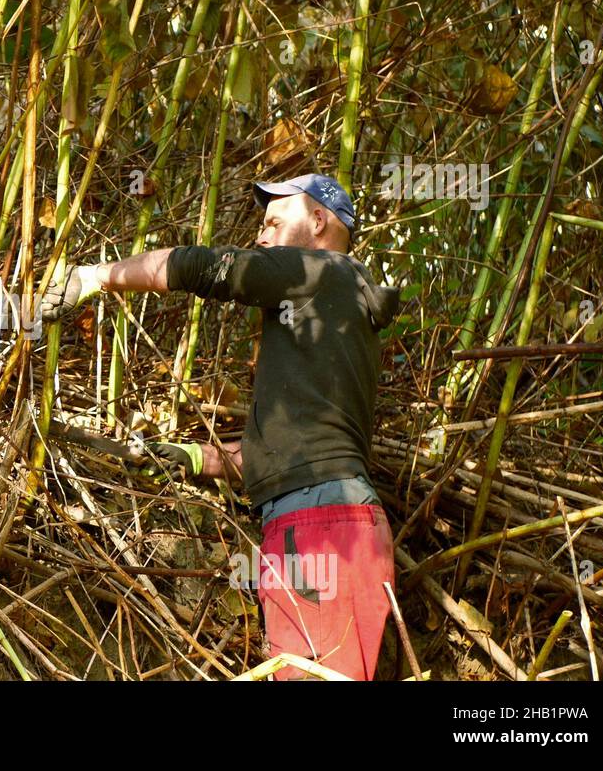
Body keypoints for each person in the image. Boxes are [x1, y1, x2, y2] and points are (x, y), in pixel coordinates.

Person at [39, 174, 401, 680]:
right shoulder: (336, 312)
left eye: (275, 221)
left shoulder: (322, 270)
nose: (262, 234)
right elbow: (291, 453)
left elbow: (206, 269)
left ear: (318, 221)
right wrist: (193, 458)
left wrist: (97, 276)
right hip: (327, 523)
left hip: (324, 535)